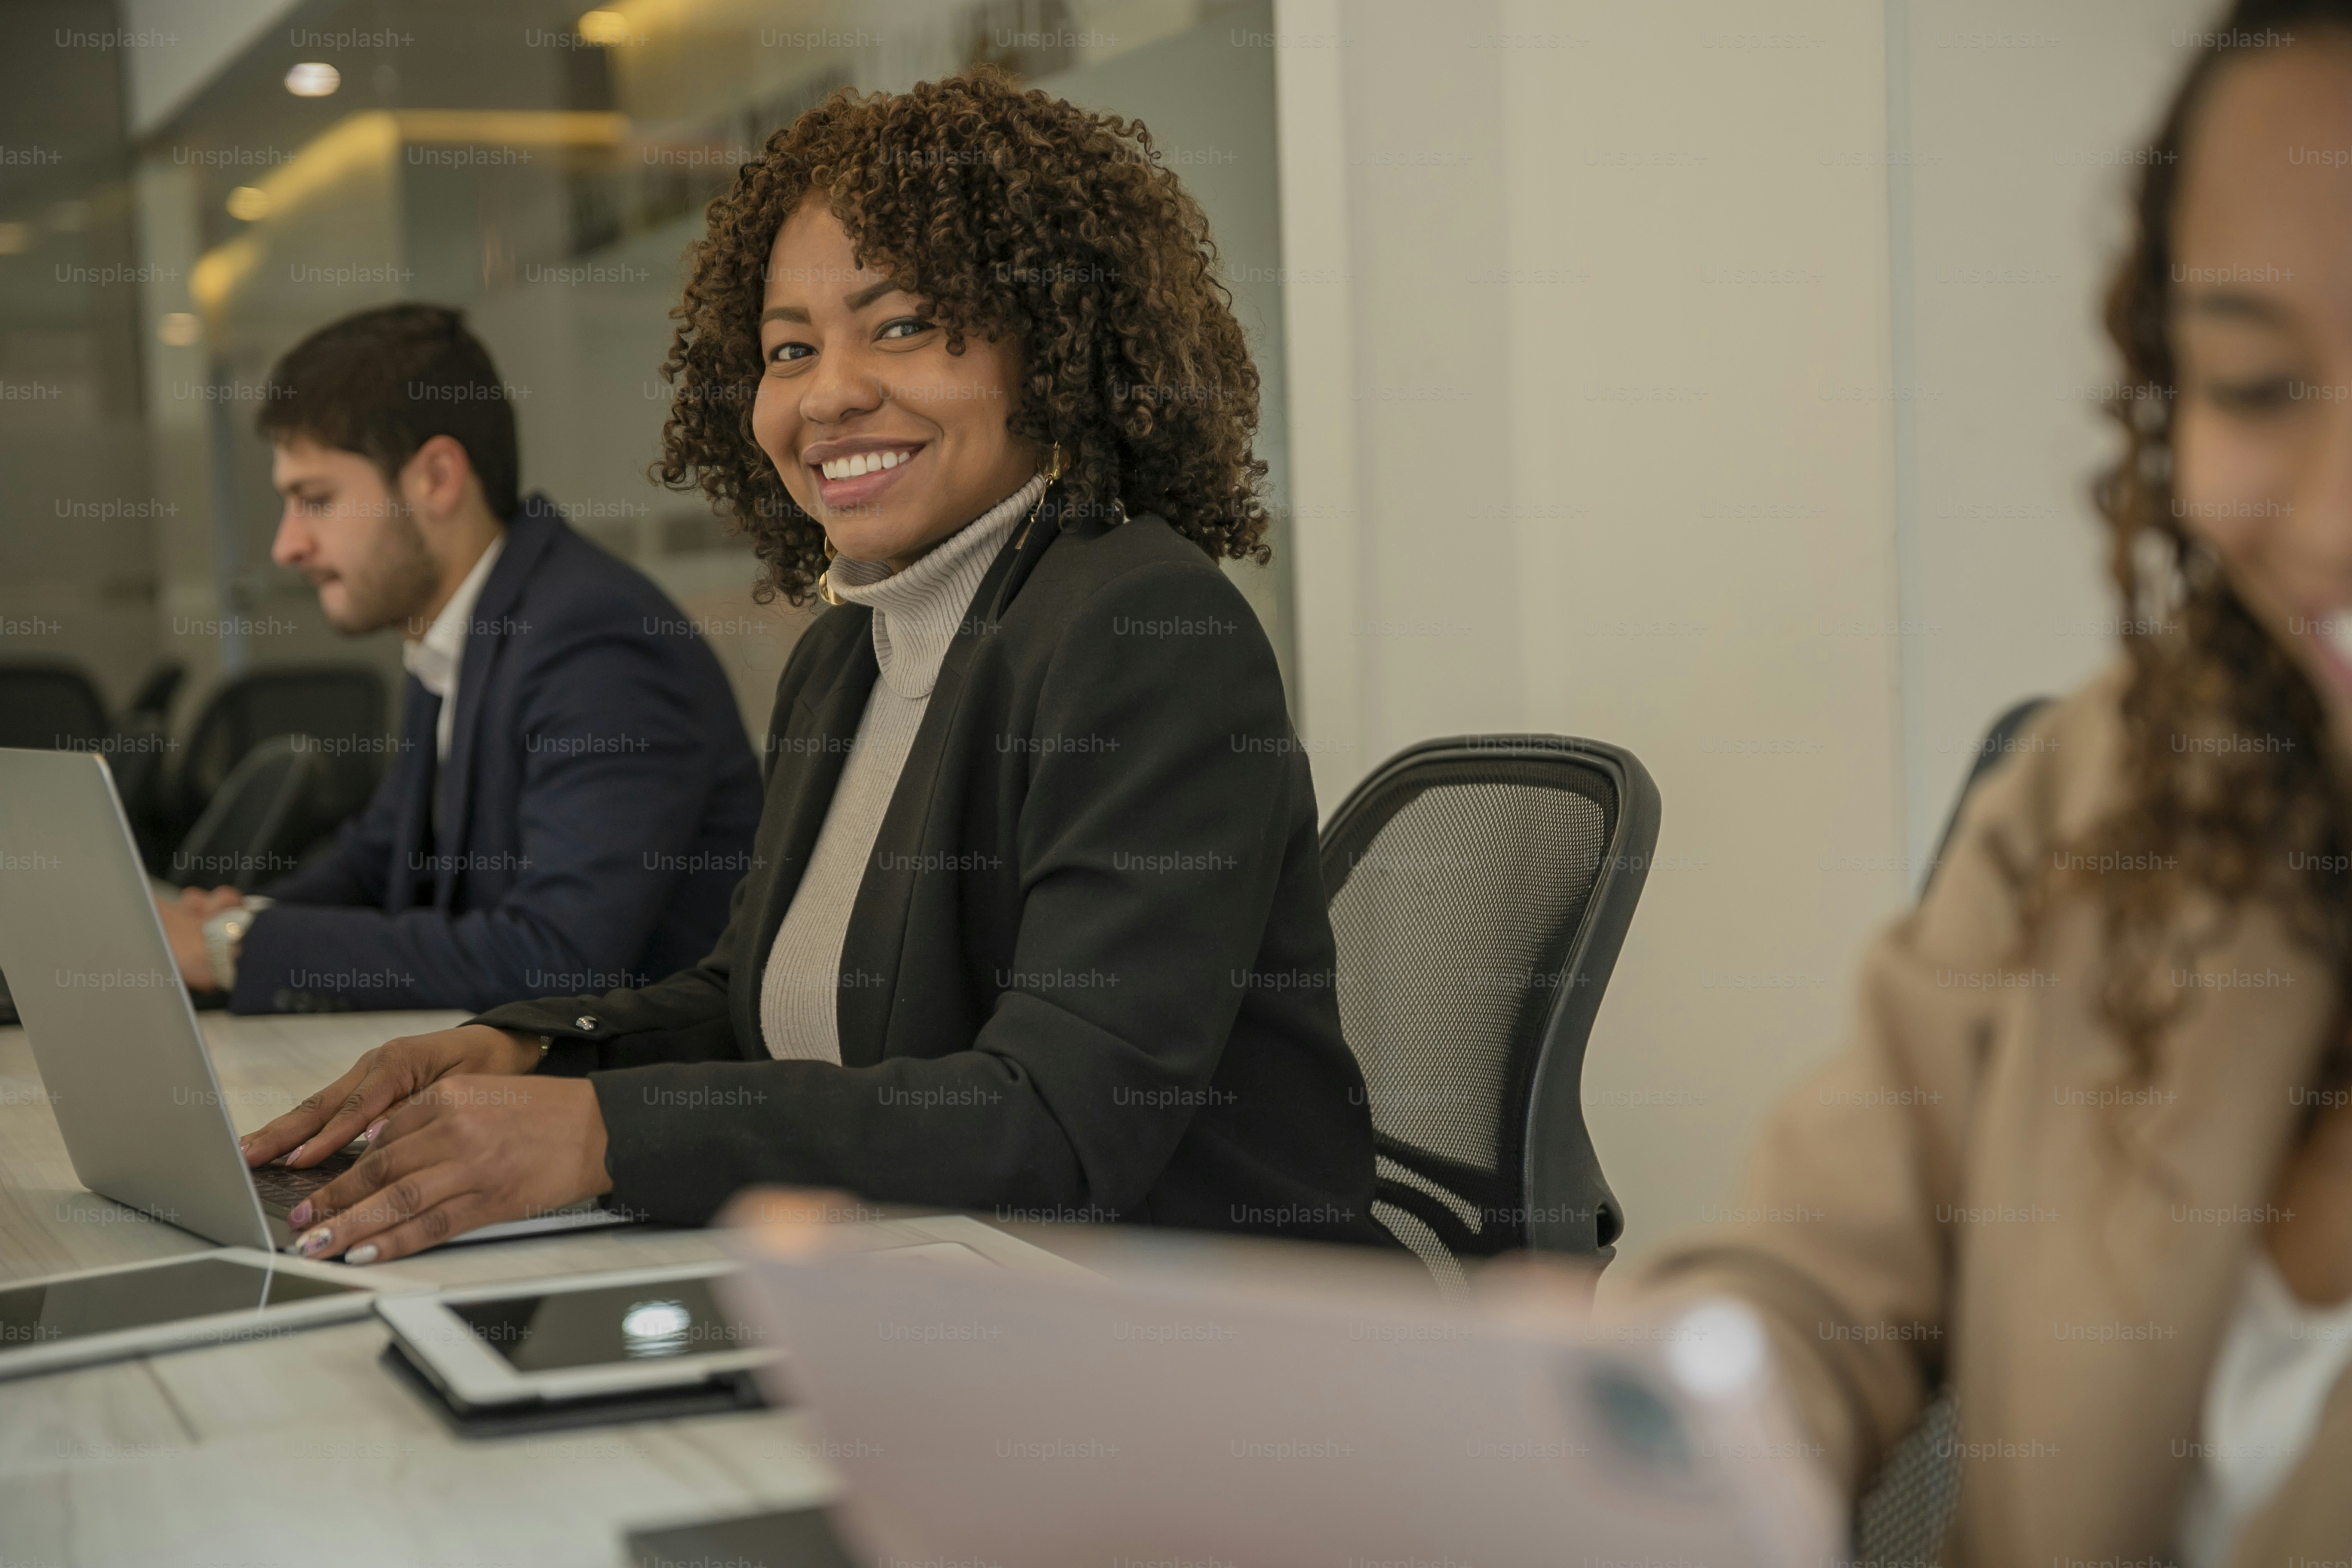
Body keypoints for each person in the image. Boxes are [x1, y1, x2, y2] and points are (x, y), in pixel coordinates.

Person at [237, 70, 1384, 1265]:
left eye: (899, 326)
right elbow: (759, 1000)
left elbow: (1061, 1121)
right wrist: (533, 1048)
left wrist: (608, 1134)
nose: (827, 394)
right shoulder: (850, 651)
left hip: (1214, 1329)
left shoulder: (1144, 630)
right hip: (942, 1279)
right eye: (788, 350)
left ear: (1050, 346)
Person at [1618, 5, 2352, 1563]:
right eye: (2253, 380)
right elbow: (1822, 1266)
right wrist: (1641, 1435)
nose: (2335, 515)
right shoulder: (2114, 786)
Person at [155, 304, 762, 1014]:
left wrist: (235, 946)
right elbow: (381, 857)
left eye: (315, 500)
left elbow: (557, 956)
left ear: (437, 477)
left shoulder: (593, 642)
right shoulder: (465, 627)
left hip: (644, 1103)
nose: (287, 547)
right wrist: (229, 924)